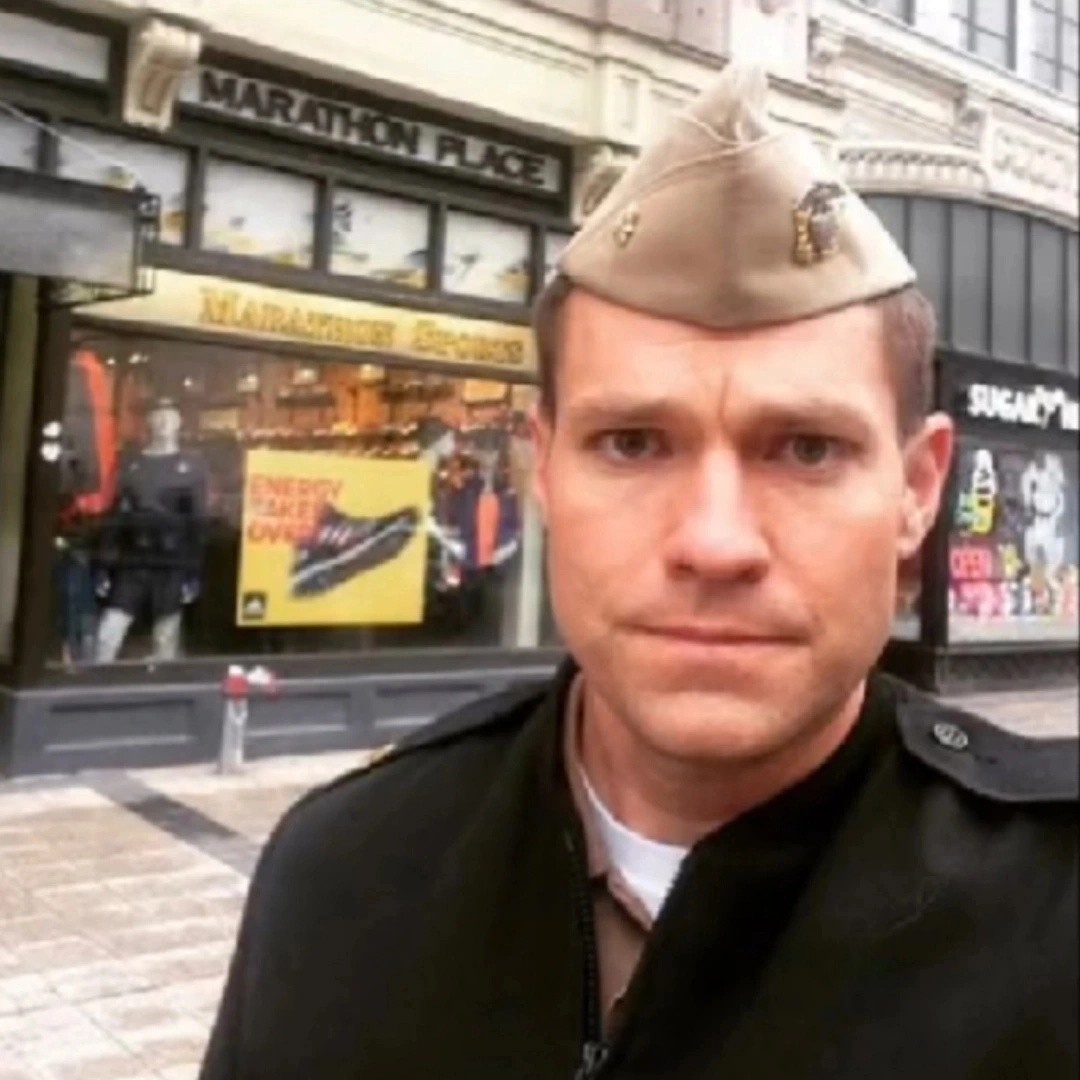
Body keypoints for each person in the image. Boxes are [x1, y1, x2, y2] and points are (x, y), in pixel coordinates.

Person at [200, 64, 1077, 1080]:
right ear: (541, 471)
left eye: (806, 449)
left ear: (919, 489)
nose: (715, 542)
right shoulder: (341, 873)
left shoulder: (1057, 909)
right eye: (631, 443)